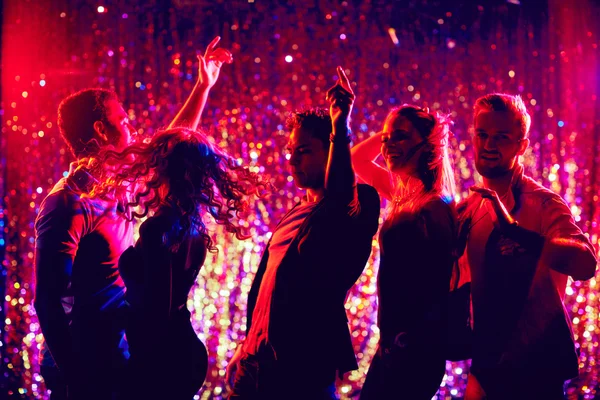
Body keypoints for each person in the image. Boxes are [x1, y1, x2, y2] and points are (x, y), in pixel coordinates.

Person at [33, 37, 232, 400]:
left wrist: (203, 87)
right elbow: (47, 300)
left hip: (117, 355)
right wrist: (75, 375)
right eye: (122, 120)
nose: (132, 127)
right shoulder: (67, 203)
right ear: (99, 130)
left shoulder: (119, 182)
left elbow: (170, 146)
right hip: (82, 365)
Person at [225, 67, 381, 399]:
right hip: (255, 366)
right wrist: (246, 344)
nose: (293, 159)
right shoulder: (295, 211)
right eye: (292, 151)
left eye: (305, 150)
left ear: (330, 151)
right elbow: (266, 286)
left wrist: (340, 125)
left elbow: (339, 196)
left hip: (300, 369)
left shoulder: (359, 204)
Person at [89, 127, 263, 399]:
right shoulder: (191, 224)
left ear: (161, 168)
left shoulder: (157, 228)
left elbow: (158, 310)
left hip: (160, 361)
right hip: (179, 352)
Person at [461, 93, 597, 400]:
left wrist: (516, 232)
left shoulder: (543, 202)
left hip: (535, 371)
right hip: (485, 366)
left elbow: (586, 263)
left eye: (501, 137)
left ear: (521, 145)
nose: (488, 145)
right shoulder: (471, 206)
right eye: (482, 135)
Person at [351, 105, 457, 399]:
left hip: (412, 349)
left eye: (400, 137)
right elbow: (357, 159)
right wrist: (388, 132)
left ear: (427, 144)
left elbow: (438, 284)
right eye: (386, 139)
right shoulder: (402, 193)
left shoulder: (434, 204)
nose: (388, 146)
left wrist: (408, 341)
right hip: (394, 345)